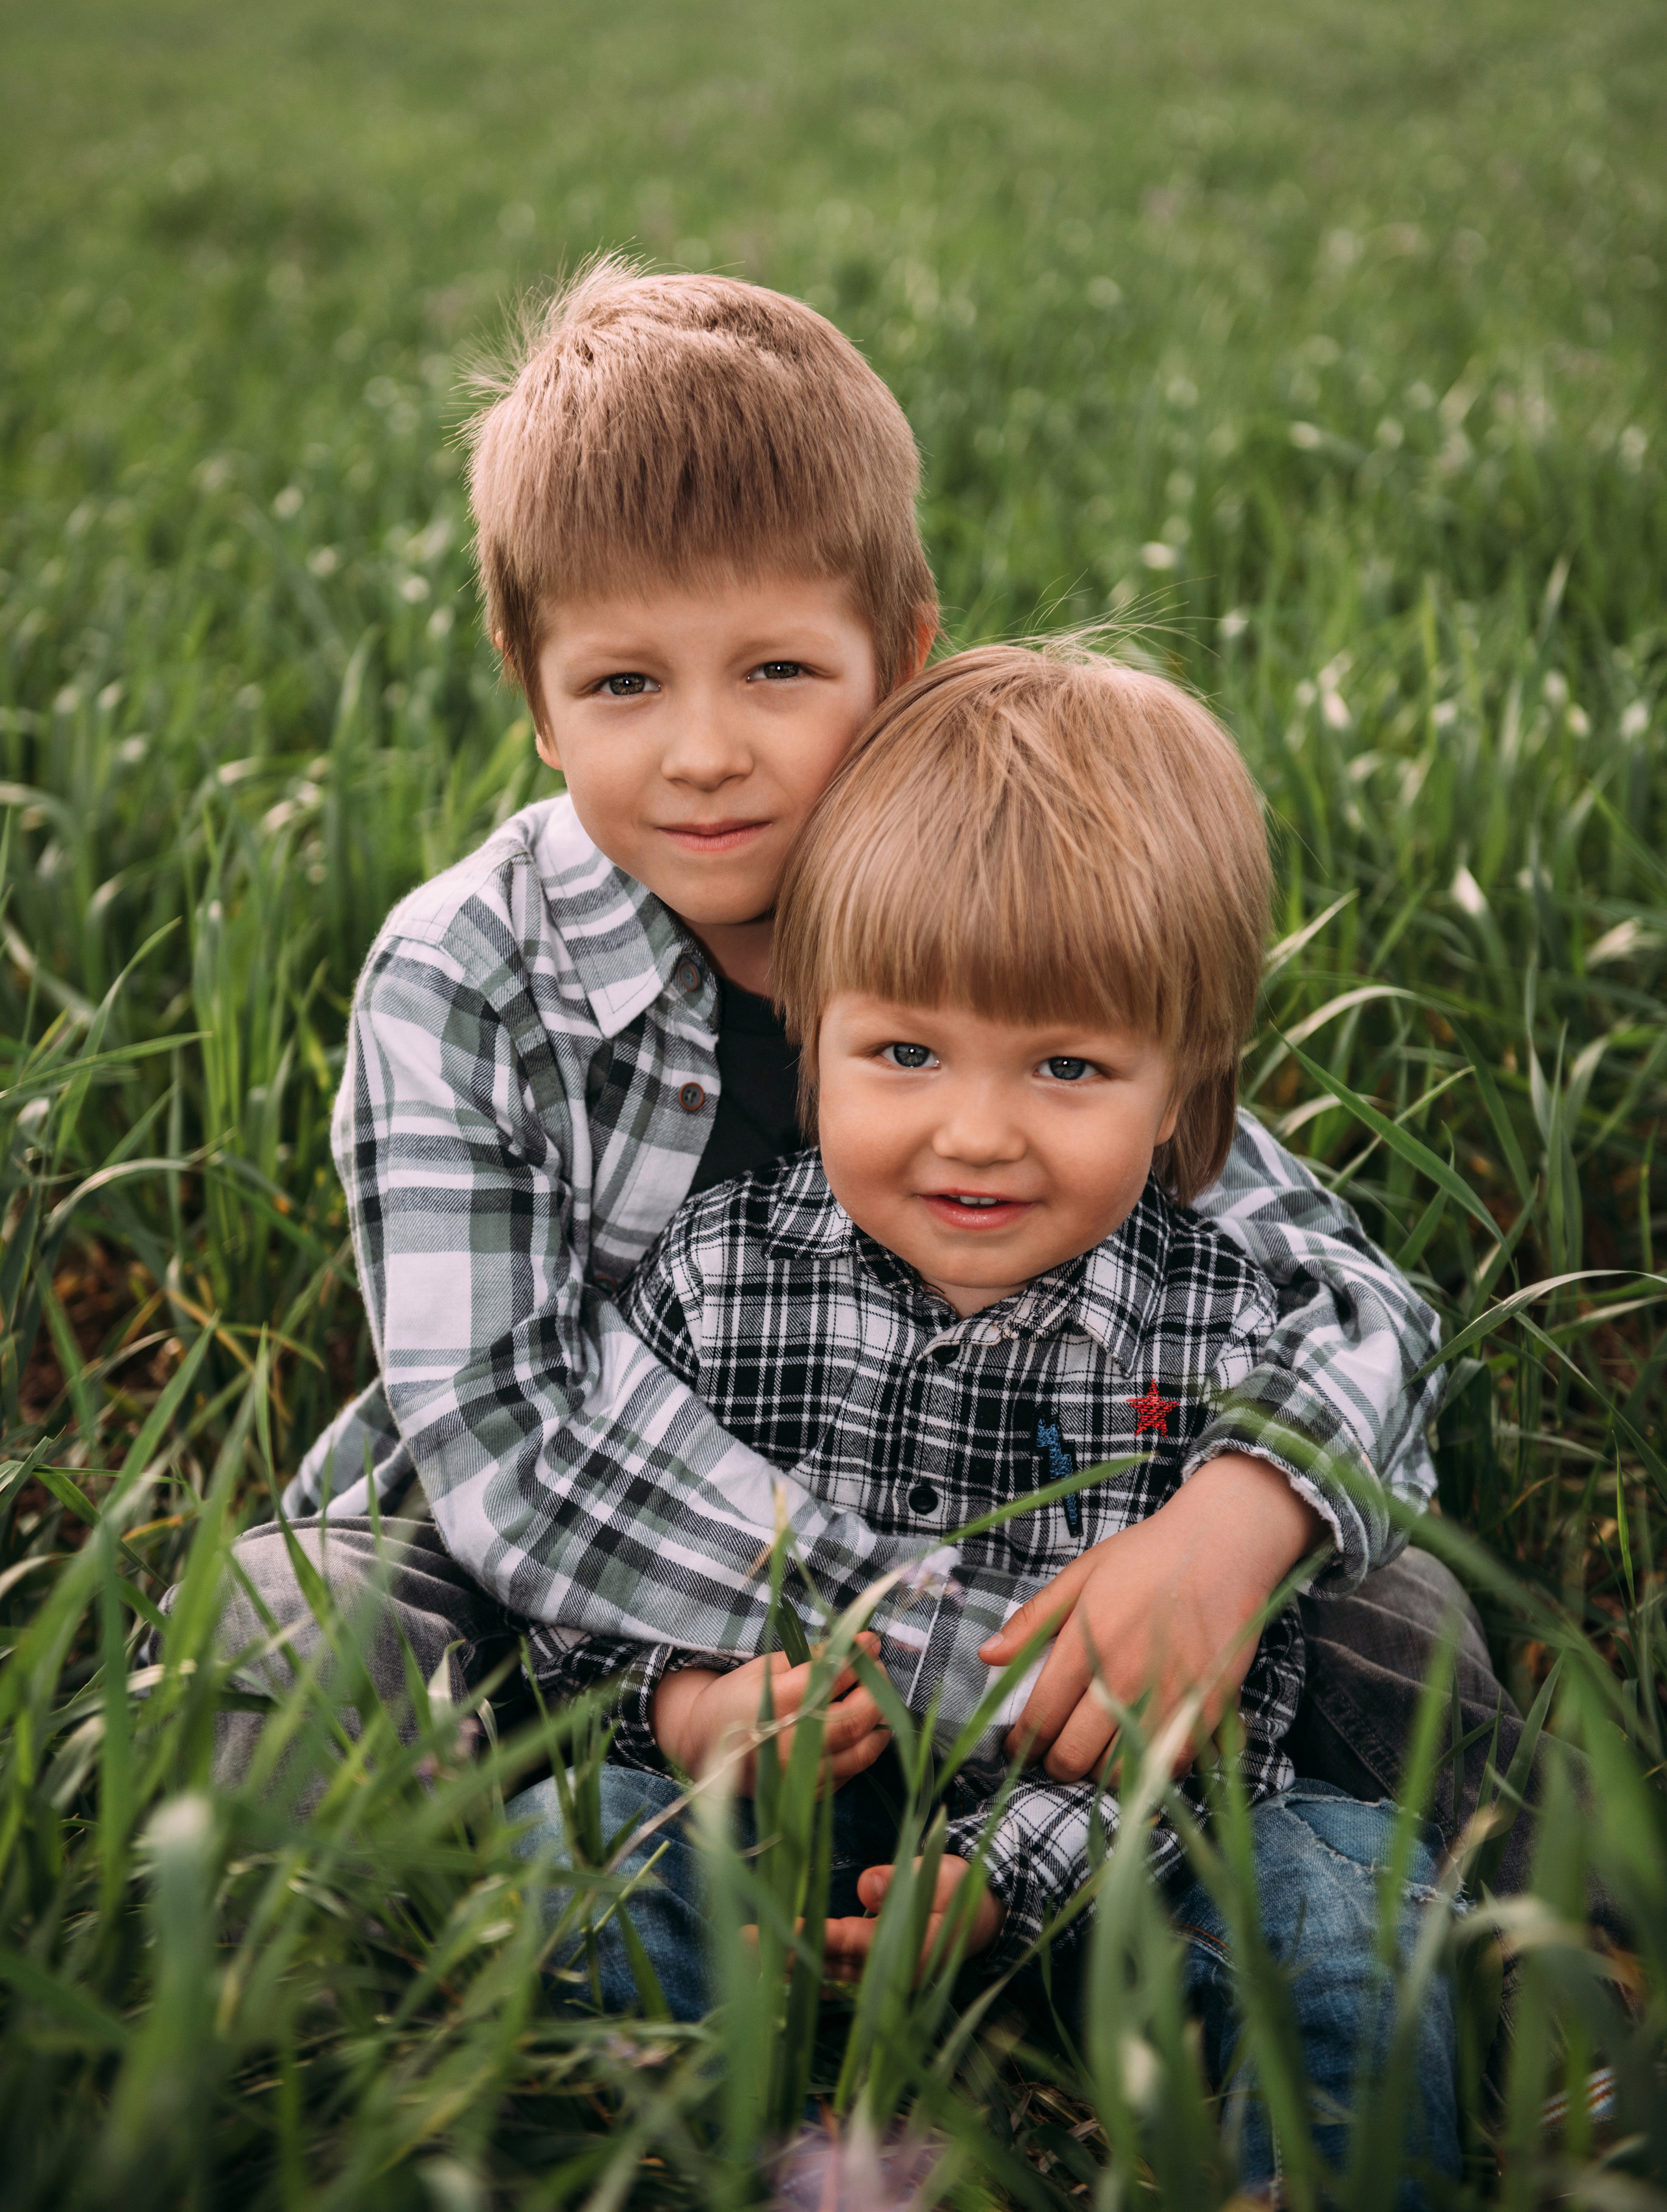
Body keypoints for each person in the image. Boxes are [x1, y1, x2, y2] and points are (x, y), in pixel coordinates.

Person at [203, 257, 1472, 1846]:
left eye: (779, 671)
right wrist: (932, 1652)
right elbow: (514, 1450)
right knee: (284, 1634)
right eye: (621, 684)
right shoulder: (462, 974)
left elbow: (1347, 1295)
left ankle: (1536, 1945)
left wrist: (1231, 1523)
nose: (705, 751)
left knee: (1394, 1613)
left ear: (903, 652)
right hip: (570, 1562)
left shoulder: (973, 904)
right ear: (535, 700)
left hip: (1013, 1507)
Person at [507, 643, 1460, 2191]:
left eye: (1067, 1066)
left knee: (1356, 1911)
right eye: (902, 1052)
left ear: (1181, 1090)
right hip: (777, 1817)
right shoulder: (717, 1277)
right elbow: (581, 1592)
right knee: (577, 1846)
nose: (973, 1132)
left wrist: (992, 1881)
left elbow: (1248, 1681)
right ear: (806, 1028)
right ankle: (692, 2158)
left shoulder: (1217, 1317)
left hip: (1147, 1855)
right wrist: (684, 1715)